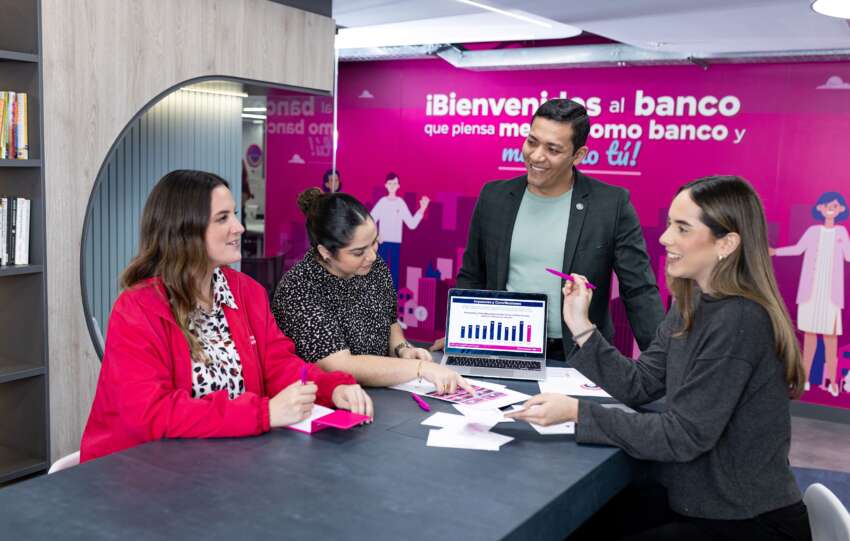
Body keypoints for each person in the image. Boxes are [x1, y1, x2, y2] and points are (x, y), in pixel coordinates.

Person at [508, 176, 811, 540]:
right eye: (669, 224)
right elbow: (640, 384)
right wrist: (581, 326)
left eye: (682, 228)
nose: (665, 238)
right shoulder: (691, 303)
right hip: (697, 501)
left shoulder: (740, 320)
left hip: (746, 521)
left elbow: (683, 435)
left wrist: (577, 412)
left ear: (726, 243)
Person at [81, 170, 371, 463]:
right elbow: (151, 413)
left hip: (225, 465)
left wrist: (331, 388)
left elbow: (277, 365)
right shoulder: (136, 309)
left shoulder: (248, 293)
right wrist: (263, 414)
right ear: (185, 230)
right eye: (223, 218)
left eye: (235, 214)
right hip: (141, 470)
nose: (239, 227)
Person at [437, 98, 664, 360]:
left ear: (578, 155)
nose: (536, 156)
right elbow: (472, 275)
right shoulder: (494, 197)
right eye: (532, 142)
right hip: (503, 348)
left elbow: (639, 290)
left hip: (578, 355)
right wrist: (461, 335)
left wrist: (665, 362)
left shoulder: (611, 204)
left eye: (553, 149)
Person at [272, 188, 473, 394]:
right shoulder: (299, 289)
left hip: (382, 393)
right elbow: (340, 364)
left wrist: (402, 349)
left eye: (374, 242)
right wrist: (419, 368)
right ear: (326, 252)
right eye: (358, 252)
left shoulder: (373, 268)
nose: (372, 256)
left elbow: (389, 322)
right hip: (328, 400)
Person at [771, 191, 850, 397]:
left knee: (831, 339)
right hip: (811, 292)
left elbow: (849, 255)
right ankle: (804, 379)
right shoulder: (813, 231)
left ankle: (833, 382)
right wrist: (776, 251)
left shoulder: (841, 232)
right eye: (827, 205)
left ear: (841, 209)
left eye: (835, 206)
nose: (830, 209)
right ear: (820, 208)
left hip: (832, 295)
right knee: (810, 338)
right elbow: (798, 249)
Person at [370, 172, 430, 288]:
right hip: (383, 244)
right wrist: (376, 235)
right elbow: (370, 220)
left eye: (395, 183)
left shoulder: (400, 203)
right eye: (390, 183)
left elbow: (412, 224)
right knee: (379, 274)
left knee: (394, 276)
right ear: (386, 185)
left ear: (398, 186)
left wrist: (422, 209)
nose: (392, 186)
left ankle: (392, 298)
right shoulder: (382, 202)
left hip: (396, 245)